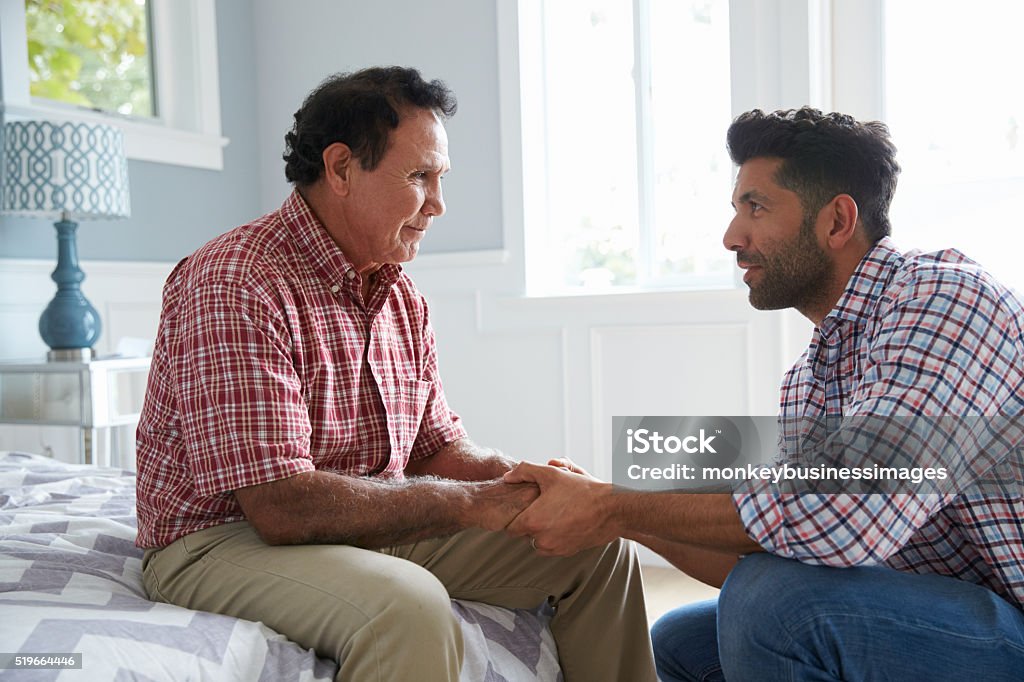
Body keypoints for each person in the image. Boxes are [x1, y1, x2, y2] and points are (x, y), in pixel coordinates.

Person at [135, 66, 656, 682]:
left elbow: (435, 447)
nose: (438, 204)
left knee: (597, 547)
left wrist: (526, 483)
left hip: (362, 521)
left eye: (440, 178)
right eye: (419, 176)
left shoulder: (398, 293)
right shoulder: (236, 281)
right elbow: (279, 506)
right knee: (407, 607)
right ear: (341, 168)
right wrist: (472, 505)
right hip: (221, 540)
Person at [505, 107, 1024, 680]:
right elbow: (767, 545)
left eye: (756, 207)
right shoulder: (812, 374)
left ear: (837, 221)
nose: (732, 238)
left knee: (776, 604)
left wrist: (611, 502)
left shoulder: (946, 302)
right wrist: (612, 515)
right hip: (946, 610)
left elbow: (845, 513)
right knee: (685, 639)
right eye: (736, 210)